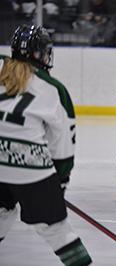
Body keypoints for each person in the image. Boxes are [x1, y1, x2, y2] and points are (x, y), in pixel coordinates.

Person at [0, 25, 92, 265]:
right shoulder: (53, 88)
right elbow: (62, 147)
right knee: (57, 230)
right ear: (42, 54)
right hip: (29, 166)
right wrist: (59, 181)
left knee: (1, 213)